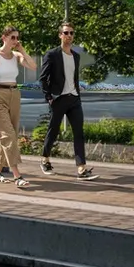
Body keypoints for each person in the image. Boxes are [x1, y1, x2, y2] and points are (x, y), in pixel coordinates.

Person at [39, 21, 97, 179]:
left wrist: (77, 91)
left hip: (74, 99)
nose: (69, 36)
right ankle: (45, 159)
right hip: (59, 99)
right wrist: (49, 97)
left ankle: (81, 168)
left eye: (71, 33)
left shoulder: (76, 56)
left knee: (79, 133)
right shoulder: (52, 54)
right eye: (66, 33)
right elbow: (43, 78)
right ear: (60, 35)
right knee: (54, 130)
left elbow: (74, 77)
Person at [0, 25, 36, 188]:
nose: (15, 40)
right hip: (0, 94)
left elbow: (33, 66)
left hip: (15, 94)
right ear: (4, 38)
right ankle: (17, 175)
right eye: (12, 37)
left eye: (17, 37)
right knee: (8, 136)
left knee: (8, 135)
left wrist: (22, 49)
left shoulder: (16, 55)